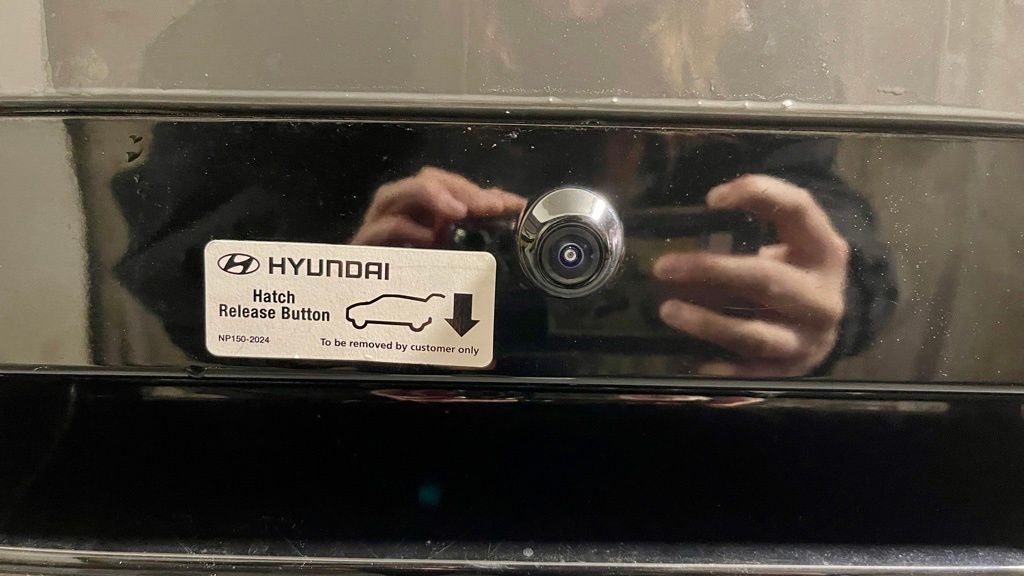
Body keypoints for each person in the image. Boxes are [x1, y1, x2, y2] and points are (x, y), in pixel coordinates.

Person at [112, 0, 896, 377]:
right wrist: (338, 292)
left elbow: (824, 218)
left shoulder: (750, 33)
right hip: (351, 470)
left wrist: (826, 303)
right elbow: (184, 265)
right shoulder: (279, 24)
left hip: (659, 470)